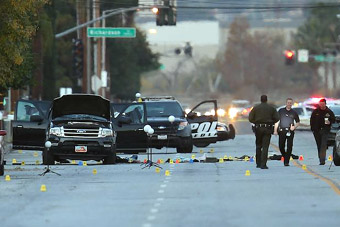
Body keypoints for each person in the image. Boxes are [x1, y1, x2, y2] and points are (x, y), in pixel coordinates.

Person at [249, 95, 280, 169]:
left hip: (258, 128)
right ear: (266, 100)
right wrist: (271, 121)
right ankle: (263, 164)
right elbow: (277, 118)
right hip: (267, 128)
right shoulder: (271, 108)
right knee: (265, 147)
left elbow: (250, 118)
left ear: (261, 100)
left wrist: (256, 122)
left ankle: (258, 163)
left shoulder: (256, 108)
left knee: (258, 146)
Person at [274, 98, 300, 166]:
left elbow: (298, 122)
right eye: (288, 103)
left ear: (292, 104)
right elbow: (277, 121)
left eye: (290, 103)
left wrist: (294, 127)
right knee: (281, 146)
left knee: (289, 146)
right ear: (286, 103)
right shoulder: (281, 111)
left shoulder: (294, 112)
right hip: (282, 131)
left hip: (290, 131)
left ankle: (286, 161)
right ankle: (285, 156)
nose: (289, 104)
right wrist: (275, 130)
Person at [310, 98, 335, 165]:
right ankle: (320, 158)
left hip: (325, 130)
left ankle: (322, 160)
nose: (321, 106)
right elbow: (312, 120)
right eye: (320, 104)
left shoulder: (329, 112)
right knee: (319, 145)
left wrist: (330, 122)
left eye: (323, 104)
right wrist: (312, 129)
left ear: (325, 104)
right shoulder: (315, 112)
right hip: (316, 131)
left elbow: (333, 119)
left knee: (323, 145)